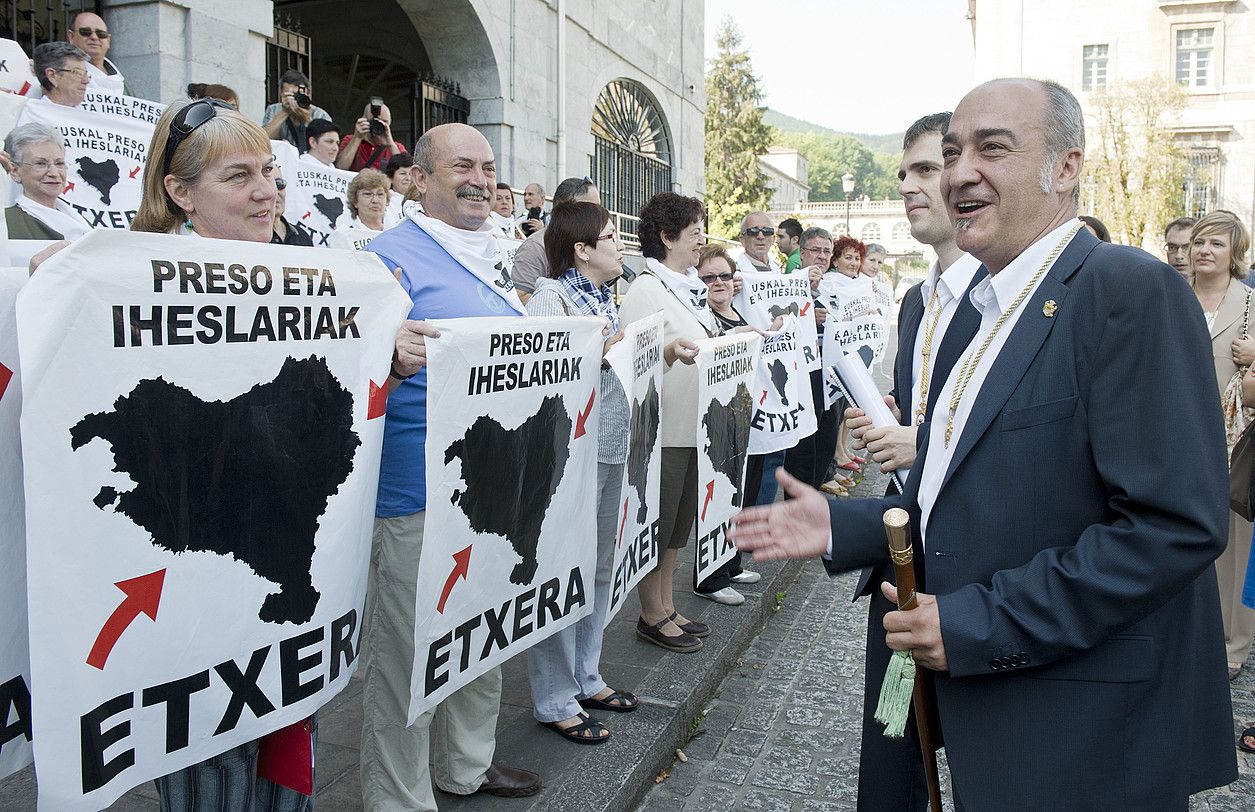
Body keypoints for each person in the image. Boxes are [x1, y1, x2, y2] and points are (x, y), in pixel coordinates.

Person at [730, 77, 1236, 809]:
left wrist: (979, 623)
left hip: (1078, 734)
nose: (962, 170)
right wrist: (848, 523)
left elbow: (1173, 526)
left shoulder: (1125, 290)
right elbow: (977, 493)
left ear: (1064, 168)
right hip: (986, 725)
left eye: (991, 149)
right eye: (953, 151)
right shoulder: (981, 312)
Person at [360, 122, 540, 810]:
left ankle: (466, 765)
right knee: (410, 656)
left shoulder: (498, 254)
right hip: (414, 493)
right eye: (461, 165)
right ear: (419, 179)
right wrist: (387, 351)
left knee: (485, 631)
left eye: (488, 166)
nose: (479, 178)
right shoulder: (384, 259)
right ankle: (398, 799)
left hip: (494, 492)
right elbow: (347, 365)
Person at [842, 111, 985, 812]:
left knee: (983, 751)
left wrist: (922, 445)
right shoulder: (914, 298)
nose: (908, 186)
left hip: (976, 580)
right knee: (896, 734)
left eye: (925, 169)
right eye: (902, 173)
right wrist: (884, 423)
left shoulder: (1000, 302)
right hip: (903, 564)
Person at [524, 200, 640, 744]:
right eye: (611, 236)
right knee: (562, 571)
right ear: (582, 249)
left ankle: (586, 674)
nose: (620, 245)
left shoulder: (602, 296)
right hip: (570, 455)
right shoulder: (550, 297)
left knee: (597, 568)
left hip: (610, 446)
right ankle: (553, 697)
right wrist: (602, 351)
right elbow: (545, 376)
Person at [618, 192, 716, 653]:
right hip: (663, 430)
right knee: (659, 522)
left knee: (678, 525)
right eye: (694, 232)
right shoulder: (646, 290)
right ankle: (650, 614)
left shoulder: (686, 288)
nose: (701, 241)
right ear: (666, 236)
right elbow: (634, 360)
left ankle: (668, 603)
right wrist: (669, 354)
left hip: (693, 427)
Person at [1190, 209, 1255, 681]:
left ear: (1235, 253)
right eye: (1199, 242)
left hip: (1235, 443)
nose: (1204, 251)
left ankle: (1234, 646)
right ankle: (1194, 633)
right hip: (1182, 435)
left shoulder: (1250, 305)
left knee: (1235, 548)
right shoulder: (1174, 296)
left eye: (1216, 243)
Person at [692, 243, 763, 606]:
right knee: (717, 495)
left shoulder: (741, 312)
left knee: (739, 494)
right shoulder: (700, 317)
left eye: (723, 275)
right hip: (714, 420)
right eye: (708, 277)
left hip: (744, 416)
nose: (717, 282)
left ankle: (731, 562)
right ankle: (708, 577)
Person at [783, 228, 841, 494]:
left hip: (831, 372)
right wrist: (808, 317)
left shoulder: (835, 285)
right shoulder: (789, 282)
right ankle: (796, 504)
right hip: (802, 373)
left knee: (827, 439)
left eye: (826, 251)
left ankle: (813, 494)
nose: (821, 256)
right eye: (816, 250)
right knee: (804, 446)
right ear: (802, 253)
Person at [509, 177, 600, 299]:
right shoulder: (536, 247)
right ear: (566, 208)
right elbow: (520, 297)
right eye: (593, 209)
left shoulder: (592, 243)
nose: (599, 215)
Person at [4, 123, 89, 241]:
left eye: (59, 163)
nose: (54, 173)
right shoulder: (7, 223)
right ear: (15, 171)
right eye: (40, 164)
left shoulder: (82, 223)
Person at [263, 69, 332, 154]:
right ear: (281, 93)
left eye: (299, 95)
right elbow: (264, 140)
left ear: (308, 94)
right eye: (292, 95)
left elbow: (327, 146)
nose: (296, 99)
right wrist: (285, 111)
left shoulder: (321, 115)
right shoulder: (273, 110)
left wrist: (306, 118)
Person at [67, 11, 127, 95]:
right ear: (71, 37)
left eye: (101, 34)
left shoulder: (123, 83)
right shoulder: (62, 76)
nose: (94, 37)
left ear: (108, 40)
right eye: (86, 32)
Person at [337, 100, 406, 172]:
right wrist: (357, 138)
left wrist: (390, 145)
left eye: (385, 122)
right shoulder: (350, 140)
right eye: (375, 121)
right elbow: (340, 168)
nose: (380, 125)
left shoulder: (396, 147)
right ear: (364, 120)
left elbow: (405, 174)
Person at [31, 42, 90, 108]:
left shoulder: (88, 116)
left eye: (85, 74)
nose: (86, 81)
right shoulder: (36, 115)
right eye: (77, 73)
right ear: (52, 76)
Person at [271, 164, 313, 246]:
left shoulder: (302, 236)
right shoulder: (250, 237)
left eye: (279, 184)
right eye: (270, 185)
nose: (276, 192)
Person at [343, 168, 390, 232]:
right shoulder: (345, 234)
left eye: (380, 194)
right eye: (368, 194)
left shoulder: (396, 232)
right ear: (355, 201)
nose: (375, 200)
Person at [384, 154, 414, 225]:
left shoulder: (422, 200)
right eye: (403, 173)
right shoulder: (385, 201)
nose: (408, 178)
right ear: (390, 178)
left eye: (411, 174)